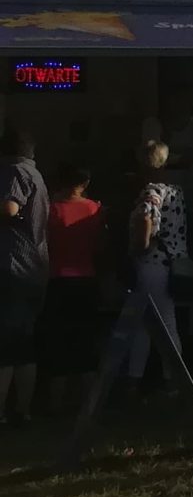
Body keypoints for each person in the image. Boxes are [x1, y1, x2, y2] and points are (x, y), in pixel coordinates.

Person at [116, 140, 191, 390]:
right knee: (151, 324)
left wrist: (138, 247)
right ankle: (146, 380)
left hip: (151, 263)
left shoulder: (151, 191)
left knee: (159, 325)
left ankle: (173, 382)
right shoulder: (175, 191)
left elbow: (145, 219)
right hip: (173, 263)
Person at [40, 166, 103, 419]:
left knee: (58, 341)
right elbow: (100, 245)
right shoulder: (94, 209)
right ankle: (90, 403)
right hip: (86, 278)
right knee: (86, 340)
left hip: (58, 279)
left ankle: (56, 402)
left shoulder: (52, 210)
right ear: (85, 183)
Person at [0, 126, 49, 426]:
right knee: (23, 345)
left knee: (5, 345)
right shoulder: (36, 175)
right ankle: (24, 409)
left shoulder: (14, 171)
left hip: (12, 266)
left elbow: (9, 208)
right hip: (34, 269)